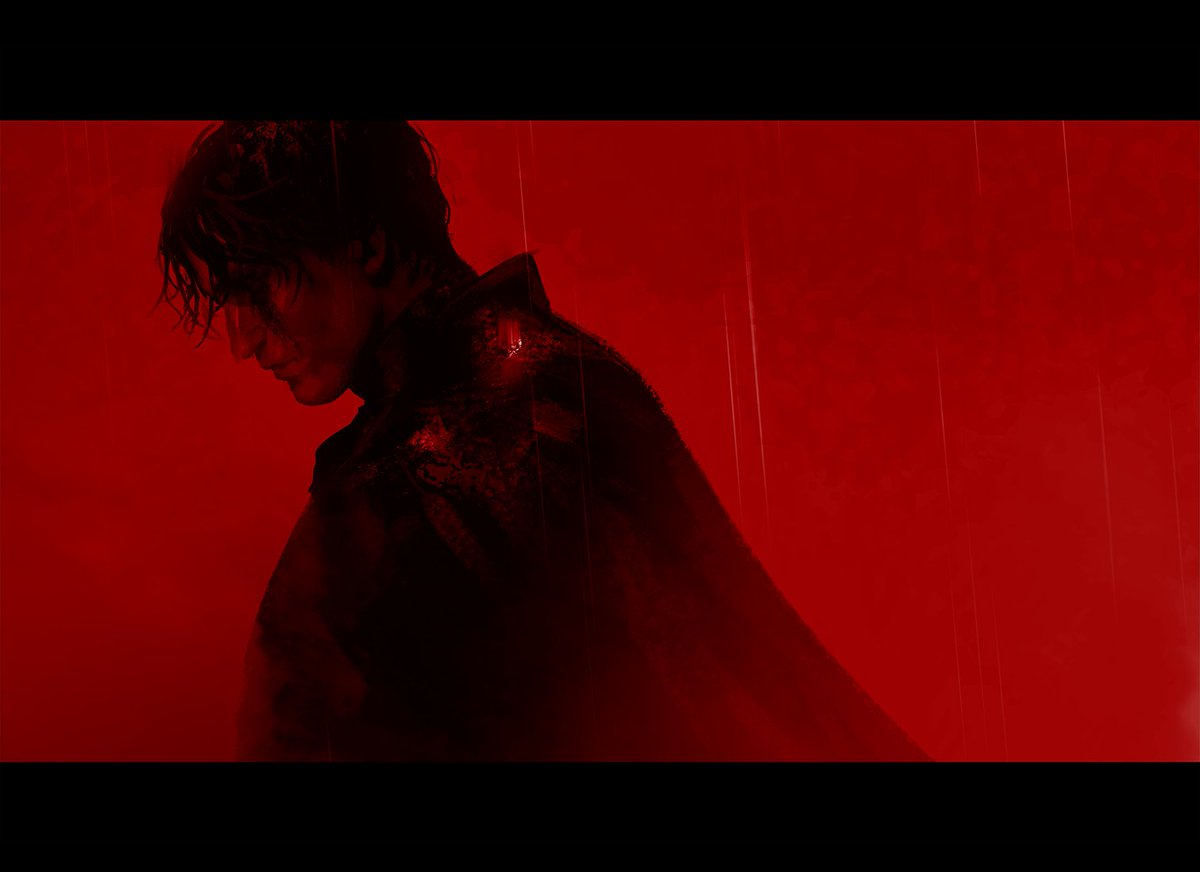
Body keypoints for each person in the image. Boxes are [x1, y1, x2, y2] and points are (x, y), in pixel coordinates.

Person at [156, 120, 931, 762]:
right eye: (228, 298)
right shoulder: (567, 375)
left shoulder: (408, 480)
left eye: (258, 283)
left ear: (365, 244)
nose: (243, 339)